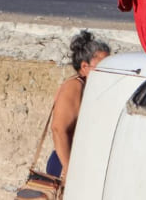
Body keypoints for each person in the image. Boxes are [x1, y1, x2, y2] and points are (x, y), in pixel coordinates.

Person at [47, 30, 110, 179]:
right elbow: (58, 129)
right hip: (67, 164)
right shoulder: (75, 86)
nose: (108, 71)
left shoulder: (94, 88)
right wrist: (69, 170)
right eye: (103, 66)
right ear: (84, 66)